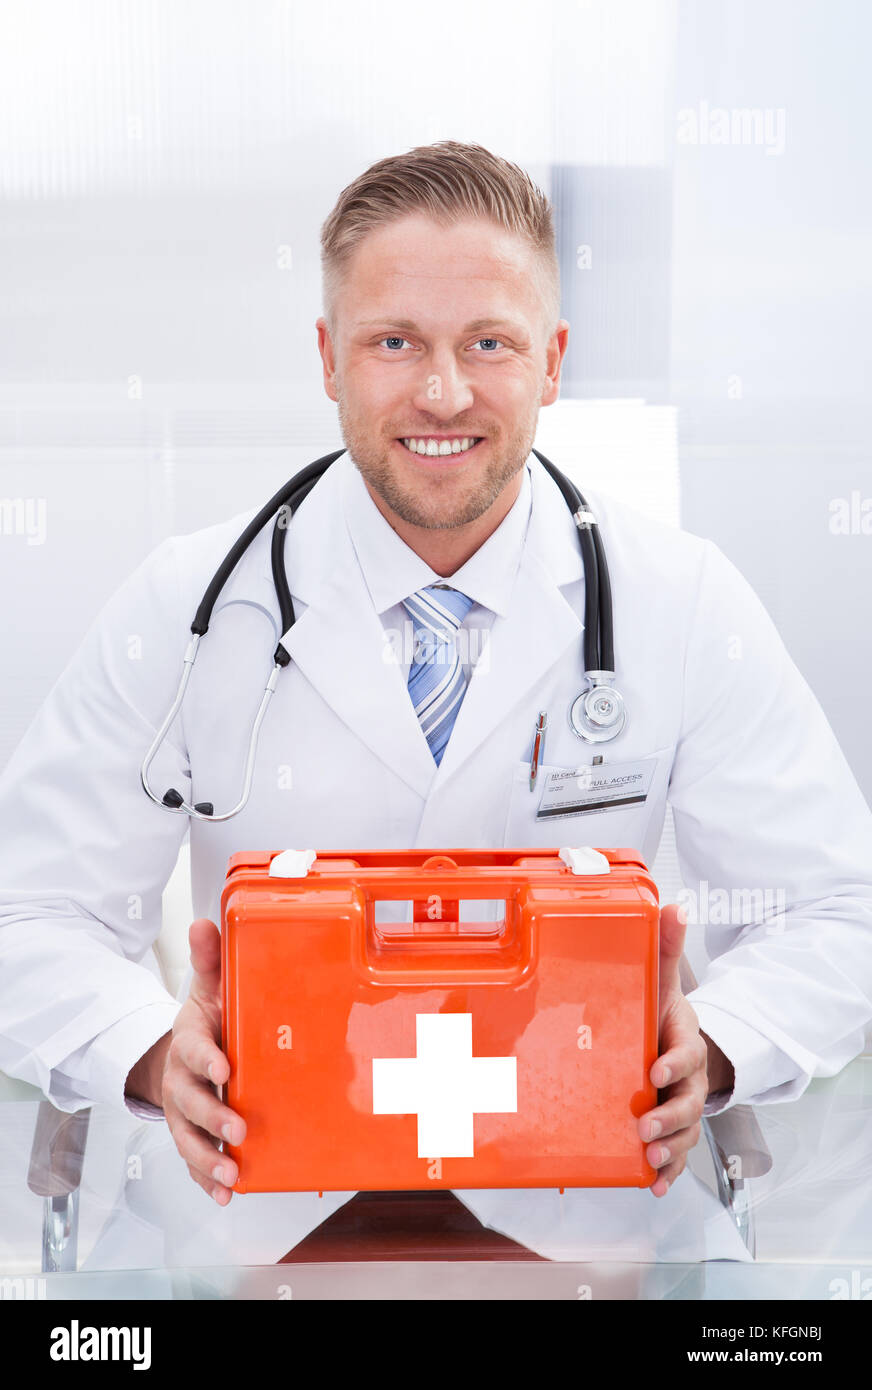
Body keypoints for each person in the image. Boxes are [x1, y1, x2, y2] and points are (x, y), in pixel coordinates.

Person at [1, 141, 871, 1266]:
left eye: (490, 344)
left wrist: (713, 1045)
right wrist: (143, 1050)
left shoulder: (680, 601)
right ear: (326, 357)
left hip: (592, 1218)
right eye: (393, 341)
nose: (442, 392)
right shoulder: (187, 604)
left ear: (552, 362)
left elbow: (838, 914)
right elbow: (28, 911)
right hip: (250, 1211)